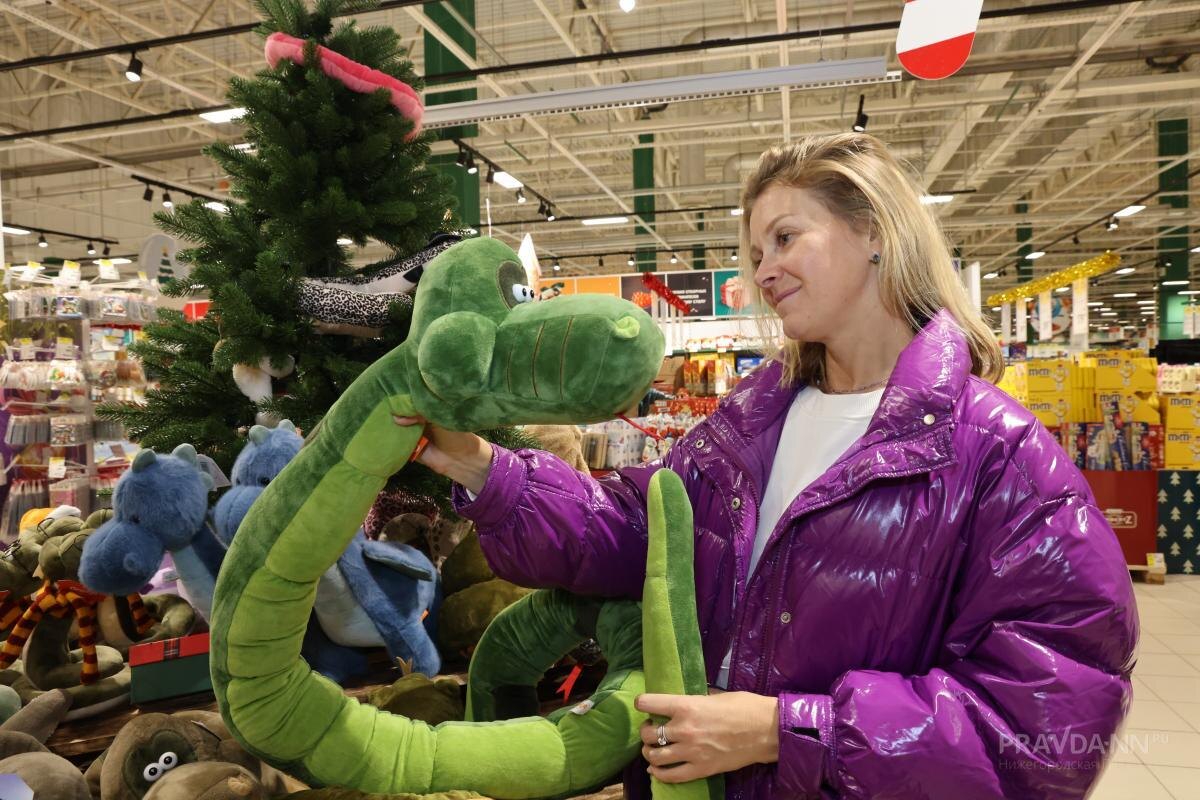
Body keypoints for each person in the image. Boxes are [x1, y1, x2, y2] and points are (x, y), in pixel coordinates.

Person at [396, 133, 1137, 799]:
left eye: (786, 237)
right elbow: (638, 535)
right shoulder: (750, 421)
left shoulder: (993, 452)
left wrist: (790, 731)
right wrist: (482, 467)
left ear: (873, 232)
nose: (765, 270)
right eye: (755, 253)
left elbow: (1046, 723)